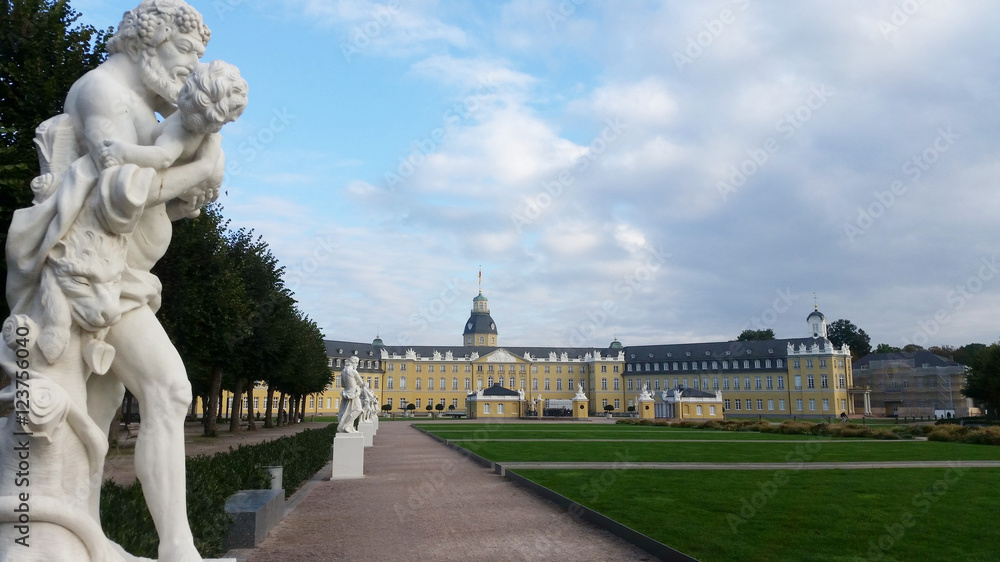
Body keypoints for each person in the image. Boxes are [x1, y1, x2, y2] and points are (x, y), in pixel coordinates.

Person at [4, 2, 223, 560]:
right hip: (91, 281)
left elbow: (153, 200)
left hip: (123, 278)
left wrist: (186, 196)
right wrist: (197, 174)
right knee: (169, 388)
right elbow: (118, 191)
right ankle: (177, 549)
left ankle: (81, 534)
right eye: (184, 53)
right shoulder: (101, 92)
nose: (189, 70)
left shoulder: (148, 110)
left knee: (93, 423)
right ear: (147, 41)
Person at [99, 59, 247, 177]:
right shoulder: (183, 116)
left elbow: (163, 158)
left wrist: (122, 152)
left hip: (187, 178)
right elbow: (163, 105)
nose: (233, 121)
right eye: (228, 118)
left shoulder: (178, 133)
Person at [337, 356, 365, 432]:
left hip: (346, 393)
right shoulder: (354, 371)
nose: (357, 365)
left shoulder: (343, 371)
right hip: (353, 393)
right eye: (357, 363)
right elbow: (361, 383)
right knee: (358, 409)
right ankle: (346, 426)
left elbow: (342, 384)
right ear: (354, 362)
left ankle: (350, 428)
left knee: (348, 411)